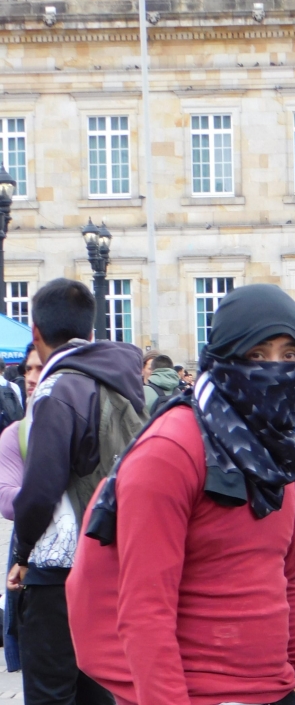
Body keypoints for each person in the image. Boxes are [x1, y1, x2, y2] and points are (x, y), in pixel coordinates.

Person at [65, 283, 295, 705]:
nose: (275, 369)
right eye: (257, 355)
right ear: (222, 358)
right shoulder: (172, 448)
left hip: (276, 690)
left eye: (289, 356)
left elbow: (286, 578)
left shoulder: (279, 454)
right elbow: (145, 609)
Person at [8, 278, 146, 705]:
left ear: (36, 333)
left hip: (60, 569)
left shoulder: (58, 388)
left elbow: (39, 490)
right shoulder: (127, 383)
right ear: (90, 331)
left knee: (52, 692)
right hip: (114, 557)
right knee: (99, 687)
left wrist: (21, 554)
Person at [0, 342, 42, 673]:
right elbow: (5, 498)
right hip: (29, 543)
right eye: (28, 368)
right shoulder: (17, 434)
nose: (30, 377)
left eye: (39, 368)